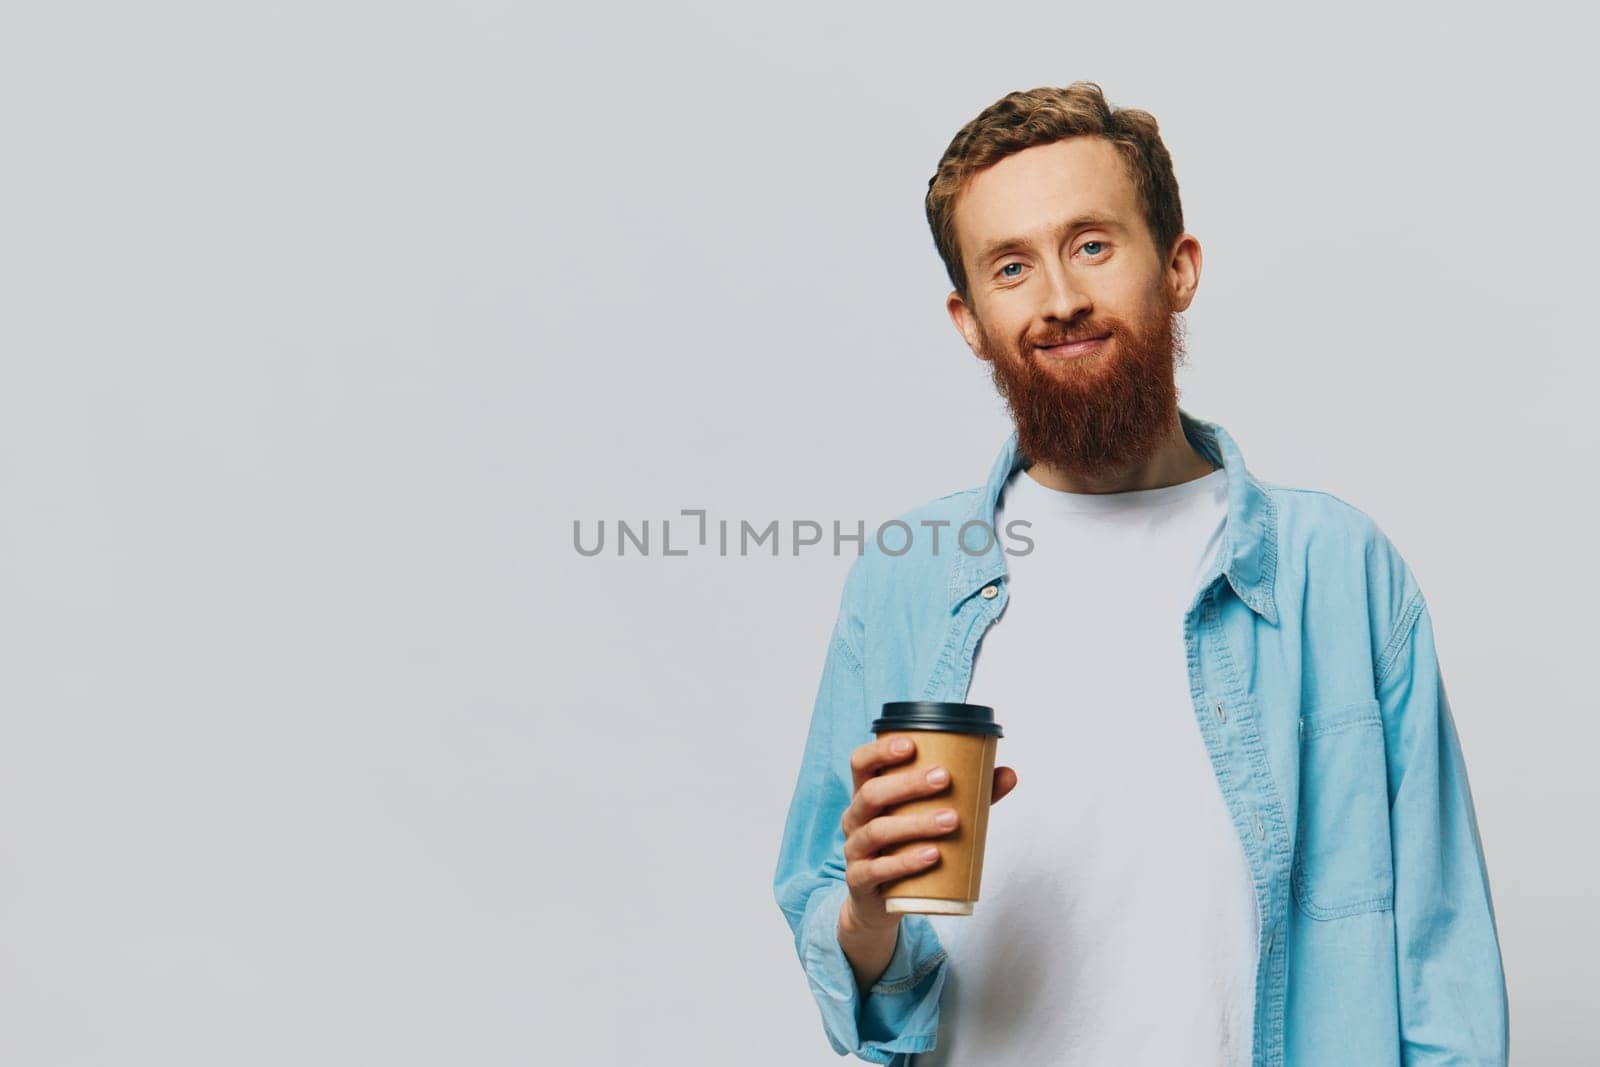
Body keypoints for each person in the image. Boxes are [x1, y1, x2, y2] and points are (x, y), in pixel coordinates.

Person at [771, 82, 1508, 1066]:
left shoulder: (1334, 569)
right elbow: (840, 924)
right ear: (968, 317)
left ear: (1177, 266)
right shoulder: (910, 578)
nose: (1059, 297)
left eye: (1090, 243)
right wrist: (865, 910)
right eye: (1010, 265)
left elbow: (1440, 958)